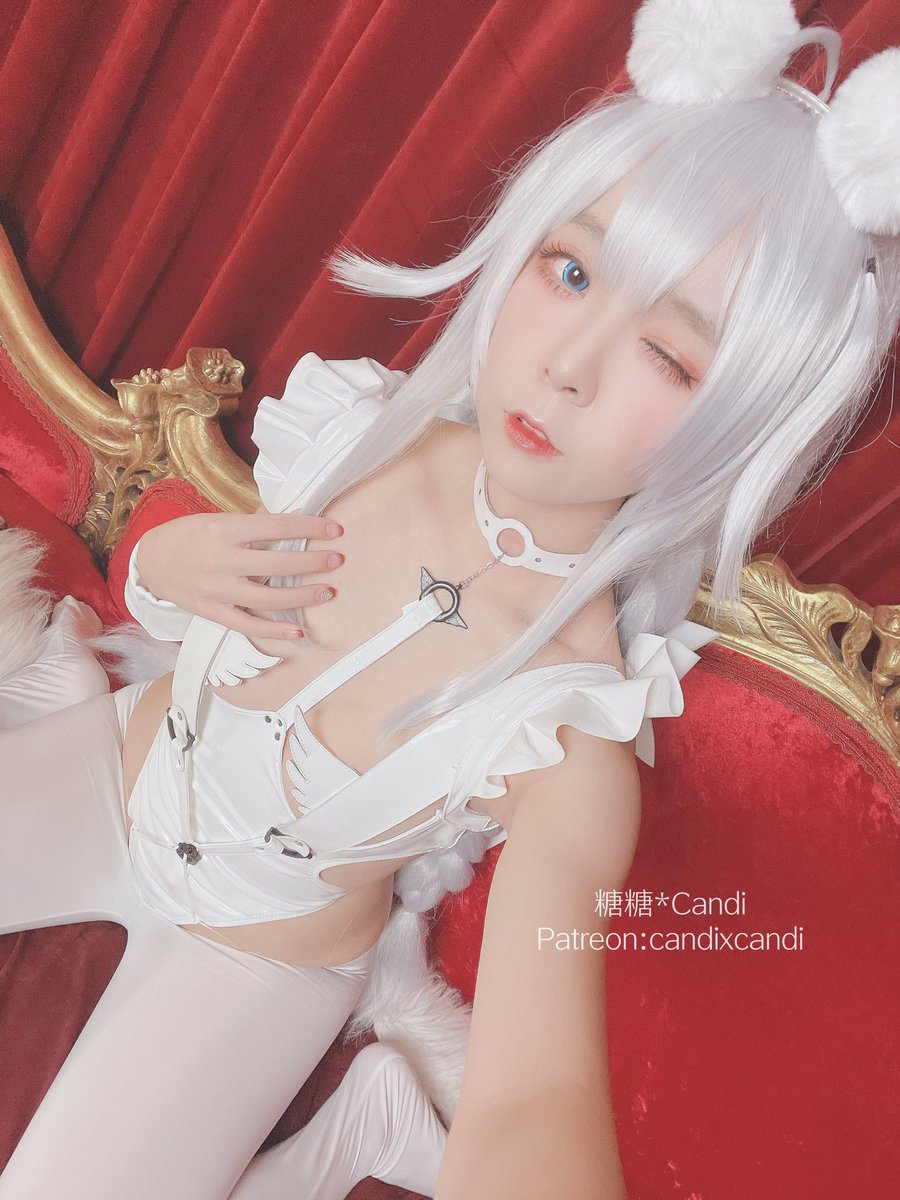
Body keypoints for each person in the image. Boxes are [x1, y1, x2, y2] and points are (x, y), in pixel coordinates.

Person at [1, 2, 898, 1197]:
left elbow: (533, 1094)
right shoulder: (354, 427)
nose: (567, 364)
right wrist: (168, 568)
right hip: (114, 770)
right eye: (571, 270)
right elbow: (164, 580)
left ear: (738, 425)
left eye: (668, 355)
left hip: (257, 960)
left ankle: (360, 1130)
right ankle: (60, 685)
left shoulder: (567, 733)